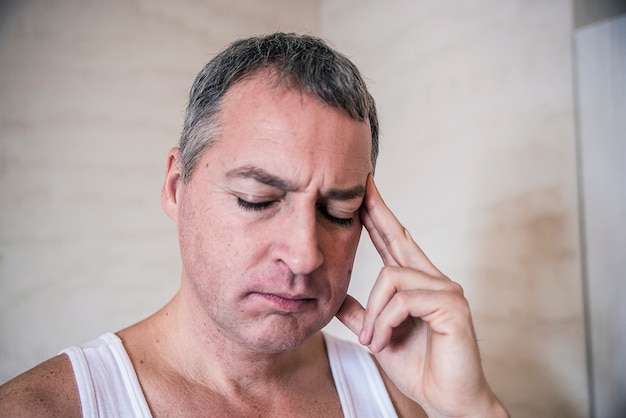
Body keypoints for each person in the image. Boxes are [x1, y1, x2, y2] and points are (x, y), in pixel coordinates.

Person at [0, 32, 508, 417]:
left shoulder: (397, 397)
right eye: (256, 199)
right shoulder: (43, 409)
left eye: (339, 213)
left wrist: (474, 408)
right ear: (178, 188)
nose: (306, 254)